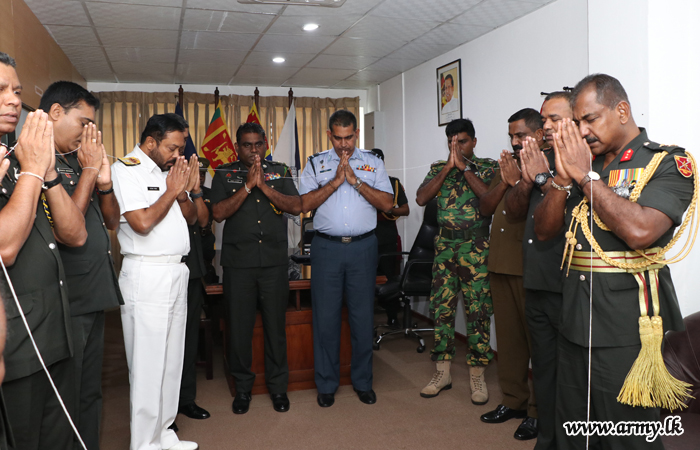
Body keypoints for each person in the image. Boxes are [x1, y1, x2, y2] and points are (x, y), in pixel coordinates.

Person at [535, 74, 693, 449]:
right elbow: (544, 231)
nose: (582, 131)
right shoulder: (583, 162)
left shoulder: (666, 162)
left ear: (621, 111)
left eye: (590, 119)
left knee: (625, 435)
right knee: (572, 428)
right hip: (574, 317)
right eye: (577, 123)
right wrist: (562, 179)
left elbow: (640, 231)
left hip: (627, 329)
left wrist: (584, 177)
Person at [0, 52, 88, 450]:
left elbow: (75, 235)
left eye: (17, 91)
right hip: (15, 345)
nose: (13, 100)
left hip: (54, 331)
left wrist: (46, 172)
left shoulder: (21, 156)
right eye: (1, 90)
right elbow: (5, 247)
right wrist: (34, 169)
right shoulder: (24, 163)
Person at [40, 81, 123, 450]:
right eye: (83, 123)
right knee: (65, 396)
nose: (88, 133)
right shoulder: (39, 163)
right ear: (56, 112)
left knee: (90, 391)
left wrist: (103, 183)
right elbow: (67, 229)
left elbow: (111, 221)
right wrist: (89, 172)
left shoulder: (78, 161)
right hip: (65, 298)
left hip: (93, 291)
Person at [112, 113, 200, 450]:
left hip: (176, 271)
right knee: (147, 364)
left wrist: (183, 192)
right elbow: (142, 223)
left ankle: (164, 433)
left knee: (171, 361)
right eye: (172, 148)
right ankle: (144, 443)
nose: (178, 155)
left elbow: (192, 219)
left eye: (181, 148)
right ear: (151, 142)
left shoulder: (169, 171)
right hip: (146, 274)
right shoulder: (126, 170)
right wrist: (172, 191)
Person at [299, 110, 393, 408]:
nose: (344, 144)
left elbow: (388, 203)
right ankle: (326, 384)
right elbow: (303, 204)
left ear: (357, 133)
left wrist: (355, 182)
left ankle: (363, 382)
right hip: (327, 249)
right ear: (329, 135)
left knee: (362, 319)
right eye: (338, 138)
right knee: (325, 319)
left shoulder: (373, 163)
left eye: (349, 137)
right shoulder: (316, 163)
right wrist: (335, 182)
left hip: (363, 249)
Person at [210, 122, 301, 414]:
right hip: (239, 265)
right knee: (239, 330)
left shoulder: (280, 171)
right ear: (237, 147)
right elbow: (218, 213)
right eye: (247, 145)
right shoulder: (224, 173)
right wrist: (248, 186)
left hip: (274, 263)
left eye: (258, 144)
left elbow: (295, 206)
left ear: (265, 144)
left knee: (276, 328)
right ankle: (242, 389)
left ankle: (278, 388)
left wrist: (264, 186)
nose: (253, 150)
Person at [504, 92, 572, 450]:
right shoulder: (536, 160)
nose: (546, 127)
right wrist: (526, 180)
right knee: (544, 371)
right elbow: (515, 211)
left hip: (568, 283)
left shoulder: (580, 160)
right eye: (544, 121)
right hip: (536, 280)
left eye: (553, 120)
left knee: (572, 374)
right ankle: (546, 439)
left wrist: (543, 177)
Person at [416, 118, 496, 404]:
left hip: (476, 248)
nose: (457, 147)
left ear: (473, 141)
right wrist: (448, 168)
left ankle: (477, 374)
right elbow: (421, 198)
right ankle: (443, 372)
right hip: (445, 248)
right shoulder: (438, 168)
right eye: (452, 142)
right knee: (442, 310)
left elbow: (489, 199)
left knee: (478, 311)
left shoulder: (488, 168)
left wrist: (464, 168)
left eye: (462, 142)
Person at [477, 108, 544, 441]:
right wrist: (505, 180)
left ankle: (538, 411)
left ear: (539, 134)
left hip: (529, 268)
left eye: (521, 135)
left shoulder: (545, 167)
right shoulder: (507, 167)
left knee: (537, 345)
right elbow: (485, 208)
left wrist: (519, 181)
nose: (515, 142)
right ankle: (514, 401)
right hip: (500, 264)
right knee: (509, 341)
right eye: (512, 136)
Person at [177, 154, 211, 422]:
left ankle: (186, 399)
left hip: (191, 269)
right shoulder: (155, 180)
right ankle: (163, 408)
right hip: (162, 269)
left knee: (188, 340)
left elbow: (202, 221)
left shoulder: (197, 191)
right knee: (163, 344)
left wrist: (194, 190)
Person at [371, 148, 410, 326]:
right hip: (366, 239)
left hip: (387, 239)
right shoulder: (361, 184)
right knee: (364, 281)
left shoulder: (393, 183)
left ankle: (393, 317)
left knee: (390, 280)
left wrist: (389, 210)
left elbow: (405, 210)